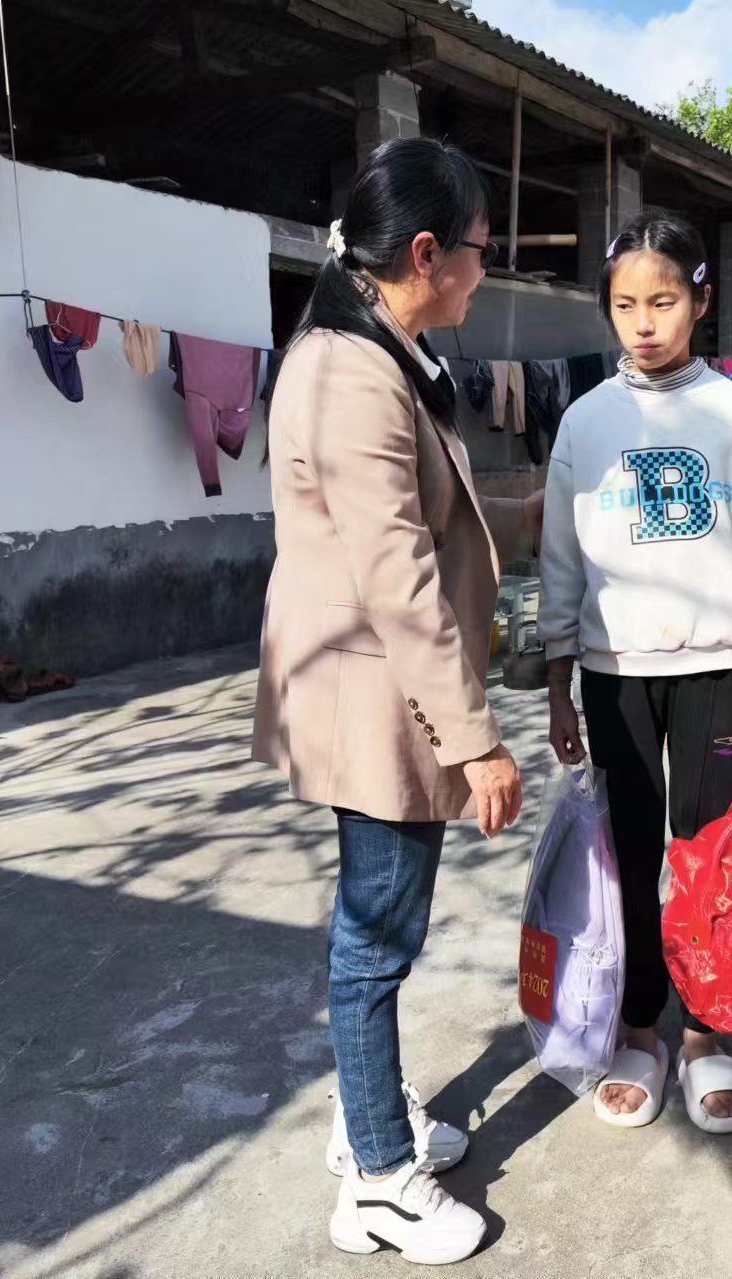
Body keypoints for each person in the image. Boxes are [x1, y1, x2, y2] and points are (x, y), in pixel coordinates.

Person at [253, 137, 541, 1266]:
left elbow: (434, 516)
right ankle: (377, 1181)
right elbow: (399, 577)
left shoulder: (381, 350)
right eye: (478, 250)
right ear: (426, 253)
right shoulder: (348, 371)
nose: (484, 270)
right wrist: (479, 742)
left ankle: (363, 1117)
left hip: (383, 687)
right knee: (376, 937)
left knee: (378, 926)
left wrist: (524, 514)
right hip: (373, 693)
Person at [539, 208, 732, 1136]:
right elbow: (562, 559)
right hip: (614, 675)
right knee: (634, 856)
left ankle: (704, 1033)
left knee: (707, 859)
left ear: (701, 301)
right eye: (624, 305)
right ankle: (642, 1028)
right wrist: (560, 685)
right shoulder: (585, 419)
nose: (644, 324)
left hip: (718, 671)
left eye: (663, 302)